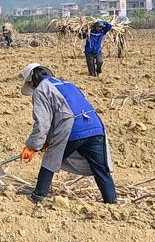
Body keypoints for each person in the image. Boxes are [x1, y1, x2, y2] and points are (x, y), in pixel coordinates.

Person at [19, 63, 117, 204]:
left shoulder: (41, 90)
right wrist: (46, 141)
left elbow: (43, 122)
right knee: (101, 169)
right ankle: (112, 202)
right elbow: (64, 111)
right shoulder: (67, 84)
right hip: (95, 127)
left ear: (31, 82)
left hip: (72, 129)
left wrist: (32, 147)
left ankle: (38, 196)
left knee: (50, 159)